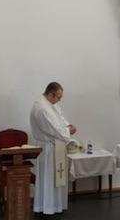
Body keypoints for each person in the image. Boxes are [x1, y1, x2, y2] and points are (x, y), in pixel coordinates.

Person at [30, 82, 77, 216]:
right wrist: (68, 131)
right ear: (51, 94)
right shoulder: (41, 108)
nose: (59, 100)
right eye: (58, 97)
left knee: (56, 179)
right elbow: (54, 129)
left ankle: (56, 205)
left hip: (57, 147)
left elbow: (60, 120)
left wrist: (68, 126)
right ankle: (47, 207)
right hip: (48, 149)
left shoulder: (51, 105)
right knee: (49, 180)